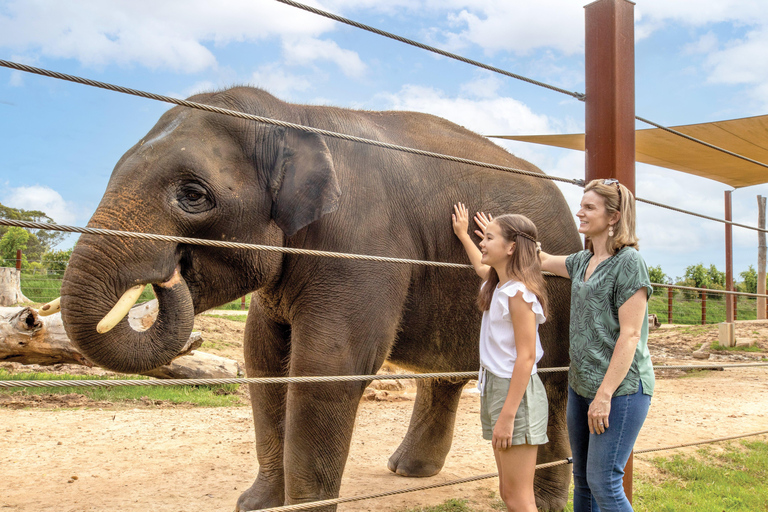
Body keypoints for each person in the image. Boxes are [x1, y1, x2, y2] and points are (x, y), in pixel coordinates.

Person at [477, 179, 653, 511]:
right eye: (581, 205)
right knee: (584, 481)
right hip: (582, 386)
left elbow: (630, 335)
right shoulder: (581, 262)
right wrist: (498, 235)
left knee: (604, 481)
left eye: (589, 207)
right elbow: (536, 258)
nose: (579, 213)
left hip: (621, 389)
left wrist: (604, 396)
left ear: (613, 217)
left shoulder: (630, 263)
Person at [452, 202, 549, 512]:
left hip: (515, 394)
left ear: (511, 247)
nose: (483, 242)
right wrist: (463, 235)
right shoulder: (498, 286)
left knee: (520, 497)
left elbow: (527, 357)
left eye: (489, 238)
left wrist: (507, 416)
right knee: (508, 492)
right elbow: (482, 268)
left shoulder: (519, 294)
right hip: (498, 388)